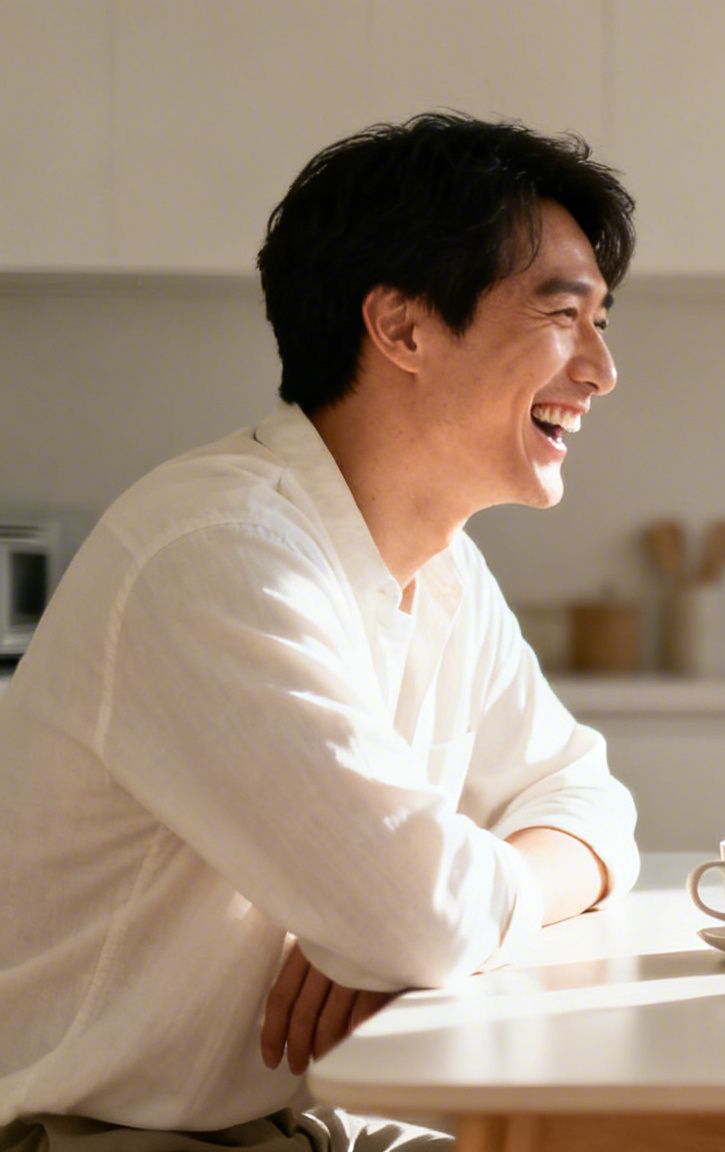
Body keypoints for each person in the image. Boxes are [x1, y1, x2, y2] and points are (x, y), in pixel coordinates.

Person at [0, 113, 642, 1150]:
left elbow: (587, 798)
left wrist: (432, 914)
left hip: (289, 1124)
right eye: (564, 315)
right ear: (401, 329)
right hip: (95, 1136)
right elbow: (422, 921)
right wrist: (412, 924)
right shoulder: (216, 554)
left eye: (603, 322)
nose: (602, 371)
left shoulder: (438, 564)